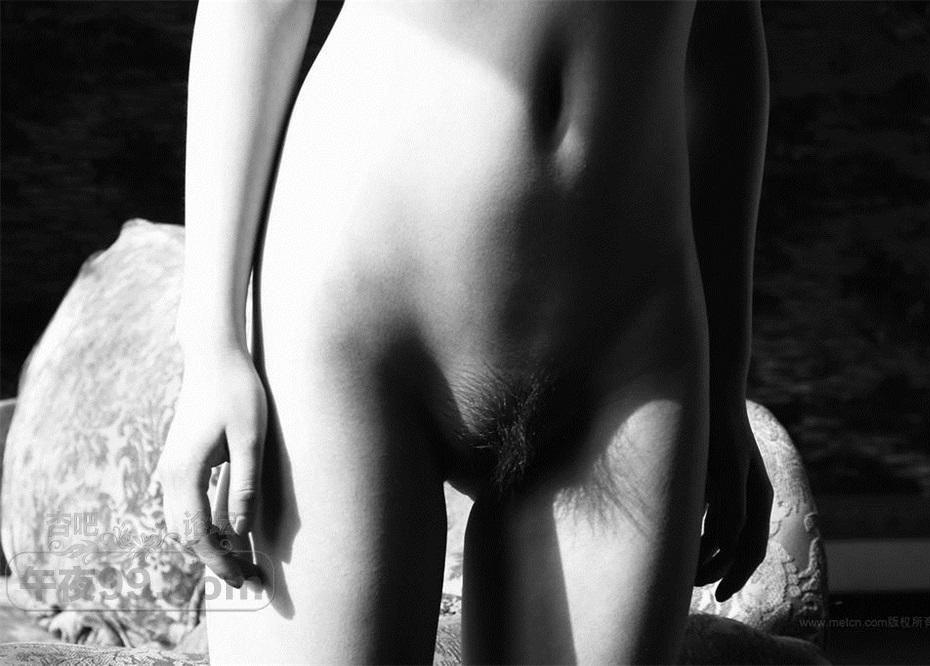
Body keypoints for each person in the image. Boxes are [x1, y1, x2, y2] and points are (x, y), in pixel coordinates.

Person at [159, 0, 773, 663]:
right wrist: (211, 343)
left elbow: (725, 41)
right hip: (354, 315)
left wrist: (725, 379)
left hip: (631, 339)